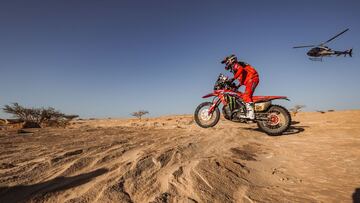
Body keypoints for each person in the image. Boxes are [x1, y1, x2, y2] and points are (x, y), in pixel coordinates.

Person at [221, 54, 259, 119]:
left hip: (252, 79)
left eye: (226, 62)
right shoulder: (236, 66)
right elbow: (243, 79)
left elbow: (241, 69)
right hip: (250, 80)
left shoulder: (236, 65)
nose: (226, 64)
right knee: (243, 97)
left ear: (231, 60)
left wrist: (233, 79)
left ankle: (251, 115)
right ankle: (248, 111)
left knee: (247, 96)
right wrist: (237, 86)